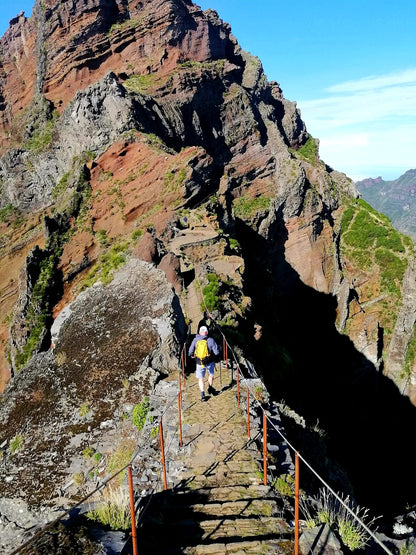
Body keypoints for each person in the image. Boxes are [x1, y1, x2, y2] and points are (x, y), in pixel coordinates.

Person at [189, 325, 219, 401]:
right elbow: (216, 352)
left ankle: (202, 393)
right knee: (211, 375)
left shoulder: (195, 340)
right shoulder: (211, 340)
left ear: (199, 332)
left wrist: (192, 355)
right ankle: (210, 388)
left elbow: (190, 351)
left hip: (199, 362)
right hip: (209, 361)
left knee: (200, 378)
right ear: (207, 332)